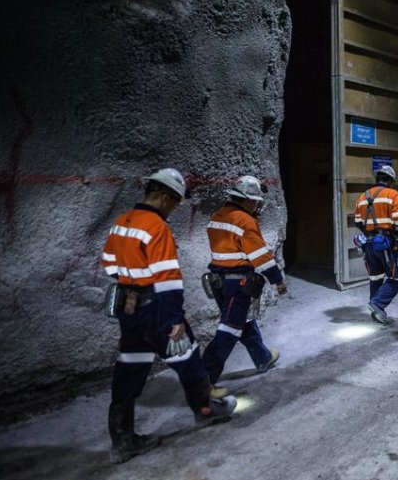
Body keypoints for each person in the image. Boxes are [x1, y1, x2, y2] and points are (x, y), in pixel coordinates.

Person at [101, 168, 237, 464]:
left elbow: (109, 264)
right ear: (164, 197)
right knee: (187, 357)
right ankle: (205, 411)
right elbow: (167, 279)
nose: (174, 208)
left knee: (129, 368)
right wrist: (174, 319)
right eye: (175, 202)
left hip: (130, 309)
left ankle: (122, 441)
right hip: (157, 308)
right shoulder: (156, 227)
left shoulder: (120, 223)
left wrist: (131, 281)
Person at [202, 176, 286, 396]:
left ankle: (263, 358)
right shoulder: (244, 221)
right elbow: (262, 257)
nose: (258, 206)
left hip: (218, 281)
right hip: (237, 283)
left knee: (244, 321)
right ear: (247, 200)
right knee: (229, 329)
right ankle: (203, 379)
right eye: (256, 202)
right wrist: (278, 280)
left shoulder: (217, 216)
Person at [352, 164, 398, 325]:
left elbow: (357, 222)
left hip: (368, 243)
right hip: (385, 243)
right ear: (390, 180)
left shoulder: (363, 196)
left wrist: (370, 231)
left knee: (375, 277)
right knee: (397, 277)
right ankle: (378, 304)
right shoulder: (392, 193)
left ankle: (377, 312)